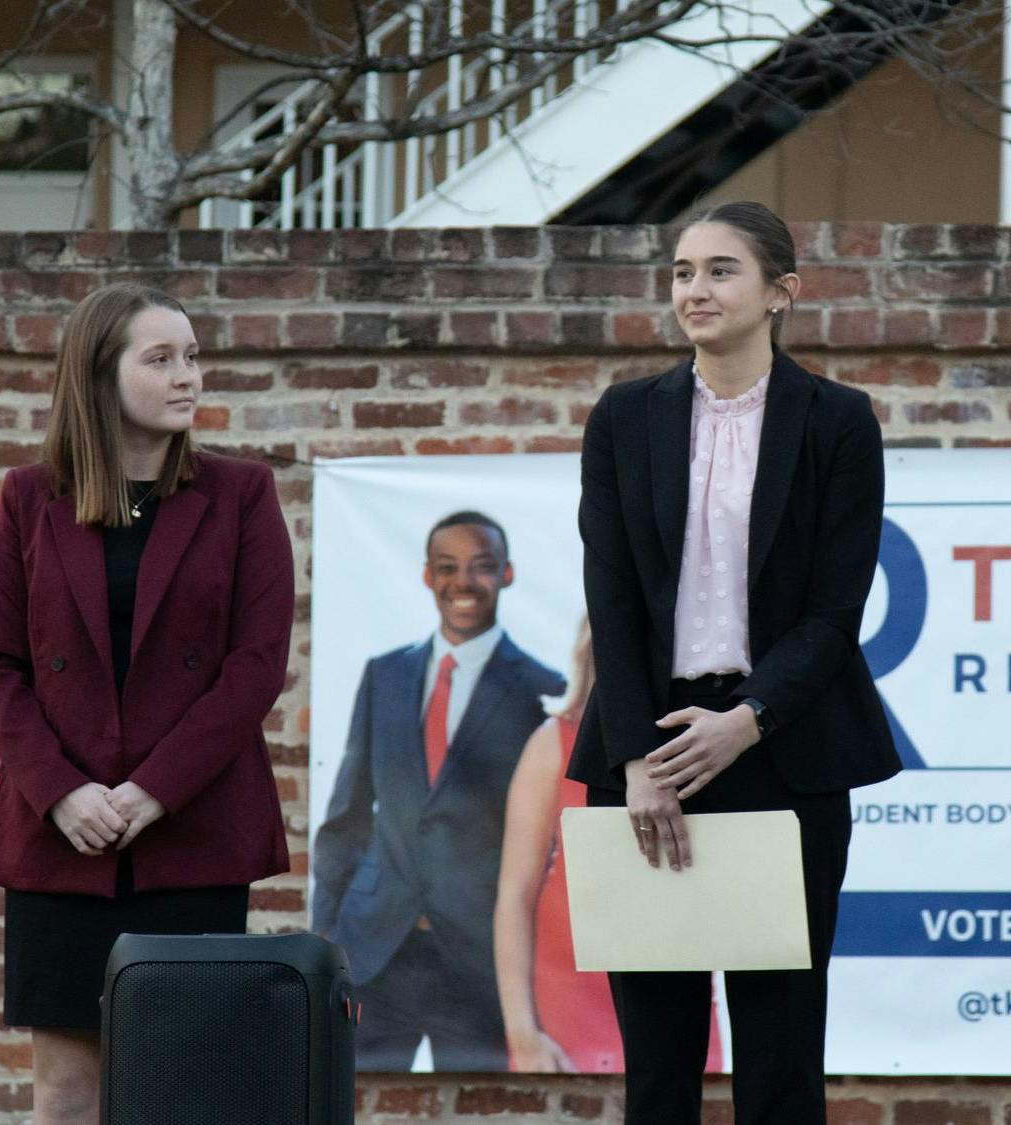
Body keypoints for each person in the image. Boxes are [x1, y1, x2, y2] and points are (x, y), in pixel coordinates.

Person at [570, 200, 901, 1124]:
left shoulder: (838, 422)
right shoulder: (624, 417)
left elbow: (836, 613)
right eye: (682, 271)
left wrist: (747, 720)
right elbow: (615, 598)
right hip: (648, 749)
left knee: (781, 1057)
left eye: (721, 269)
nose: (695, 289)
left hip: (784, 750)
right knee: (659, 1064)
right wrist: (637, 759)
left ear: (780, 293)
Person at [0, 282, 294, 1124]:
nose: (187, 376)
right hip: (61, 840)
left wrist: (155, 787)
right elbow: (2, 665)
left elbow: (255, 666)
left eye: (192, 356)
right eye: (160, 359)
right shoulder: (27, 498)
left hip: (191, 832)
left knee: (188, 1090)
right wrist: (60, 790)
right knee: (63, 1094)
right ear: (100, 375)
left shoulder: (242, 493)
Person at [312, 510, 565, 1071]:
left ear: (508, 574)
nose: (463, 583)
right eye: (447, 568)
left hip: (479, 959)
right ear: (428, 576)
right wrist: (325, 936)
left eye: (482, 567)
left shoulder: (541, 689)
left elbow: (547, 840)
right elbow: (346, 816)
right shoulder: (385, 676)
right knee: (349, 1105)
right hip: (375, 950)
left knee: (482, 1110)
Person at [495, 616, 727, 1074]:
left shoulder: (701, 745)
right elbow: (513, 895)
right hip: (566, 998)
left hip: (679, 985)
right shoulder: (554, 743)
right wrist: (521, 1031)